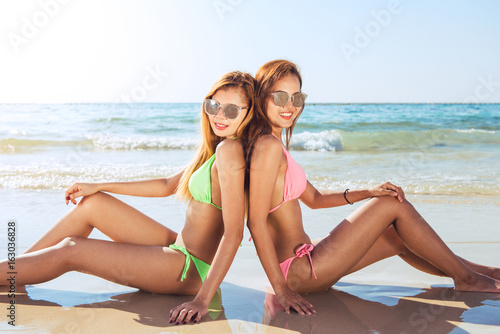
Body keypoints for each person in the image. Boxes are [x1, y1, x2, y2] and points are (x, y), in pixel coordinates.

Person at [246, 59, 500, 316]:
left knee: (396, 235)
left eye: (296, 98)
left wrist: (368, 191)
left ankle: (482, 273)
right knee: (390, 204)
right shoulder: (268, 146)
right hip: (299, 273)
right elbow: (255, 223)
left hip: (302, 262)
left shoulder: (273, 143)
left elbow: (314, 198)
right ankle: (467, 279)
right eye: (280, 97)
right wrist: (281, 289)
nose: (290, 106)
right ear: (261, 96)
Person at [0, 70, 256, 324]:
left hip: (190, 270)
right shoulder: (216, 149)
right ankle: (19, 273)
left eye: (231, 110)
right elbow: (167, 184)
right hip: (180, 248)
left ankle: (14, 274)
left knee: (72, 249)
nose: (219, 115)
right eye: (214, 105)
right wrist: (99, 185)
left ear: (249, 112)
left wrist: (202, 299)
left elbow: (233, 233)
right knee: (95, 204)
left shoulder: (229, 150)